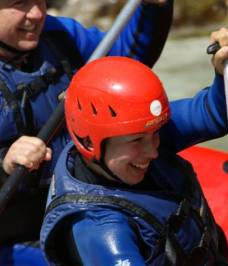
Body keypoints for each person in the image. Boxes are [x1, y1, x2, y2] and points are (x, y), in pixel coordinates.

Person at [40, 27, 228, 265]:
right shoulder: (101, 229)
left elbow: (217, 115)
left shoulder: (137, 130)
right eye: (137, 141)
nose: (152, 150)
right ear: (89, 142)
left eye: (154, 134)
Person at [0, 0, 173, 247]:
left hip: (90, 201)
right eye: (20, 4)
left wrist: (153, 8)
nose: (37, 13)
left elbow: (127, 64)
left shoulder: (59, 34)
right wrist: (4, 164)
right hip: (24, 234)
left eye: (40, 0)